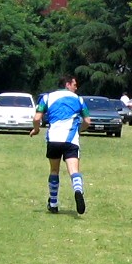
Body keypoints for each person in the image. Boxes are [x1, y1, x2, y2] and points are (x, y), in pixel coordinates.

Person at [34, 75, 90, 214]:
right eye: (74, 85)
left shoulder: (47, 98)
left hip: (54, 139)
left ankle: (53, 203)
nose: (76, 88)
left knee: (54, 171)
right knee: (74, 171)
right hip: (71, 140)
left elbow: (37, 118)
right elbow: (88, 121)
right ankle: (78, 190)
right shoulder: (79, 99)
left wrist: (36, 129)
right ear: (67, 84)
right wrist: (79, 130)